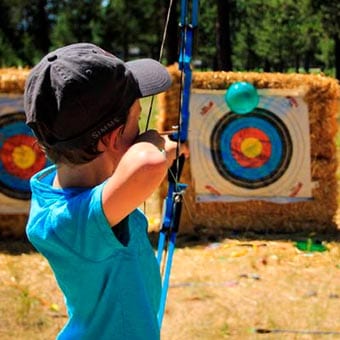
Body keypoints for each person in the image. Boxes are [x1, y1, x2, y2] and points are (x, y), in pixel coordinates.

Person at [24, 42, 187, 339]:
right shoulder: (71, 223)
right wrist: (154, 142)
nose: (143, 131)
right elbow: (147, 163)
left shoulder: (55, 189)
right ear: (111, 140)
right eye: (138, 120)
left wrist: (170, 147)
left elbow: (136, 160)